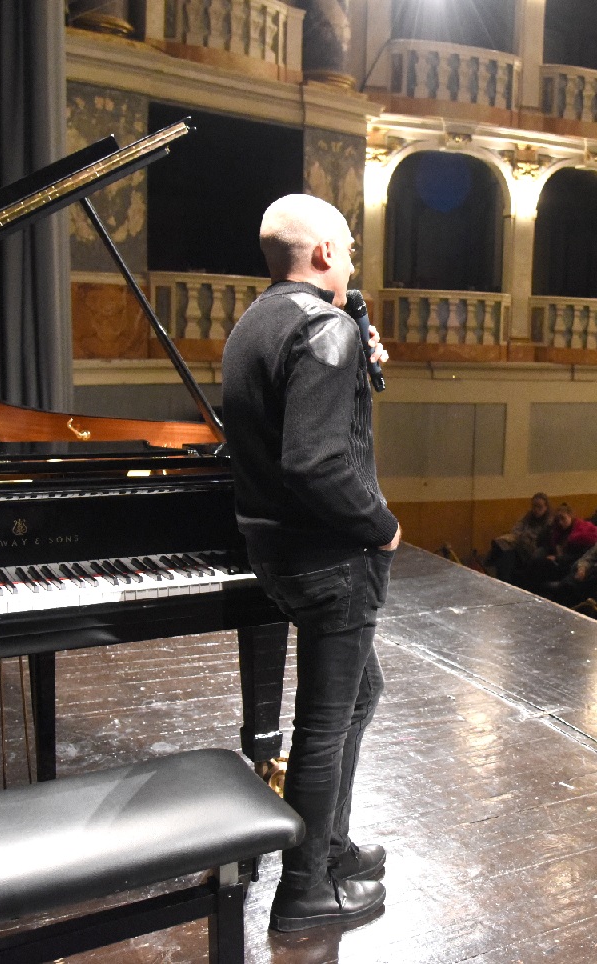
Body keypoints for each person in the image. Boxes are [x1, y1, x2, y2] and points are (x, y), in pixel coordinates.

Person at [221, 194, 395, 930]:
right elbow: (318, 462)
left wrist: (359, 353)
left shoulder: (254, 322)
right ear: (322, 253)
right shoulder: (324, 328)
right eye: (348, 248)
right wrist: (381, 526)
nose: (353, 261)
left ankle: (329, 845)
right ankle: (305, 894)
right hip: (330, 560)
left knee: (358, 696)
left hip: (276, 552)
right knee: (323, 727)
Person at [484, 493, 553, 583]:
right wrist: (523, 536)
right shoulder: (528, 516)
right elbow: (515, 530)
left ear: (546, 507)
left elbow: (542, 539)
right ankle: (504, 581)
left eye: (539, 507)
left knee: (505, 546)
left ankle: (492, 559)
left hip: (533, 548)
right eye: (534, 506)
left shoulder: (549, 521)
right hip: (520, 545)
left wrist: (526, 536)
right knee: (507, 554)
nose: (536, 510)